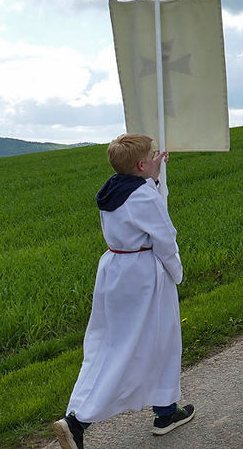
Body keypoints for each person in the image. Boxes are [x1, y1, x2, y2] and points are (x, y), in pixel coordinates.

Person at [53, 134, 193, 449]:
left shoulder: (114, 189)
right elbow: (164, 237)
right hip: (144, 274)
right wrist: (177, 272)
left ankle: (165, 409)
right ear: (141, 164)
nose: (156, 158)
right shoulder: (142, 196)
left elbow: (136, 212)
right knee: (147, 344)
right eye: (151, 156)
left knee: (110, 344)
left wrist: (153, 179)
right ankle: (79, 422)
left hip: (116, 270)